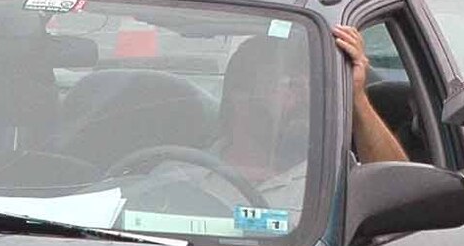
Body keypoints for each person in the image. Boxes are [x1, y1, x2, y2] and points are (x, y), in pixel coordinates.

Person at [130, 25, 405, 215]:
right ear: (240, 98)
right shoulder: (179, 177)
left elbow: (399, 198)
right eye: (288, 83)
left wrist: (356, 97)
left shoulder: (333, 182)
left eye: (308, 84)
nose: (305, 96)